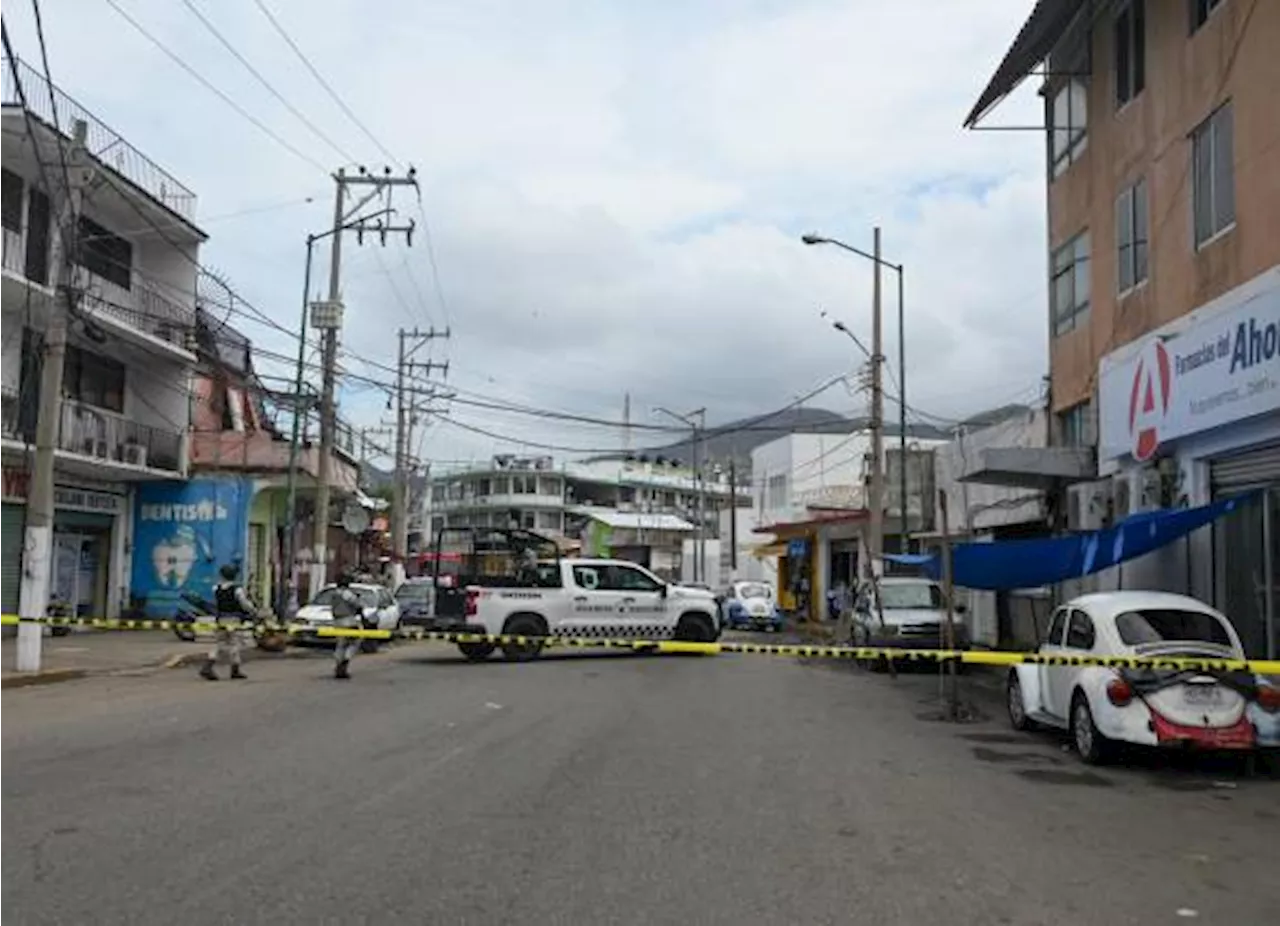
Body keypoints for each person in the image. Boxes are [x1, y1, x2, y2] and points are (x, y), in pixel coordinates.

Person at [200, 563, 255, 681]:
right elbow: (245, 604)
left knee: (218, 643)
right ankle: (235, 669)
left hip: (220, 619)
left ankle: (208, 665)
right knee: (234, 643)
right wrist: (253, 610)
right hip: (234, 619)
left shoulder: (216, 589)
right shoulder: (237, 590)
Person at [330, 572, 363, 680]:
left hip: (337, 621)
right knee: (355, 641)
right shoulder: (346, 594)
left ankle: (338, 664)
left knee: (340, 644)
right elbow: (357, 604)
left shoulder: (334, 594)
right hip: (348, 621)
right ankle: (345, 660)